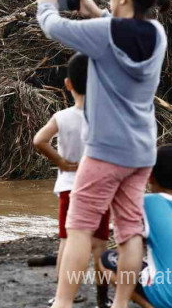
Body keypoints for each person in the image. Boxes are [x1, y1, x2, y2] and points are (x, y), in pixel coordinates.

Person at [34, 0, 170, 308]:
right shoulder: (157, 34)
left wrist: (47, 2)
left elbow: (53, 27)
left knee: (79, 228)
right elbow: (115, 31)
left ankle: (63, 303)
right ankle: (121, 304)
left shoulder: (104, 35)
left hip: (106, 152)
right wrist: (94, 10)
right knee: (129, 232)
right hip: (141, 152)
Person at [33, 53, 111, 308]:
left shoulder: (62, 116)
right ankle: (102, 298)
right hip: (100, 187)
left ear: (68, 84)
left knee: (67, 241)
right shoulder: (103, 116)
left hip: (70, 186)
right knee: (100, 243)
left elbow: (38, 141)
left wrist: (60, 162)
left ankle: (64, 295)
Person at [100, 145, 172, 308]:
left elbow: (131, 248)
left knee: (106, 260)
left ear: (150, 176)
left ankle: (147, 305)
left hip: (170, 298)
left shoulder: (144, 203)